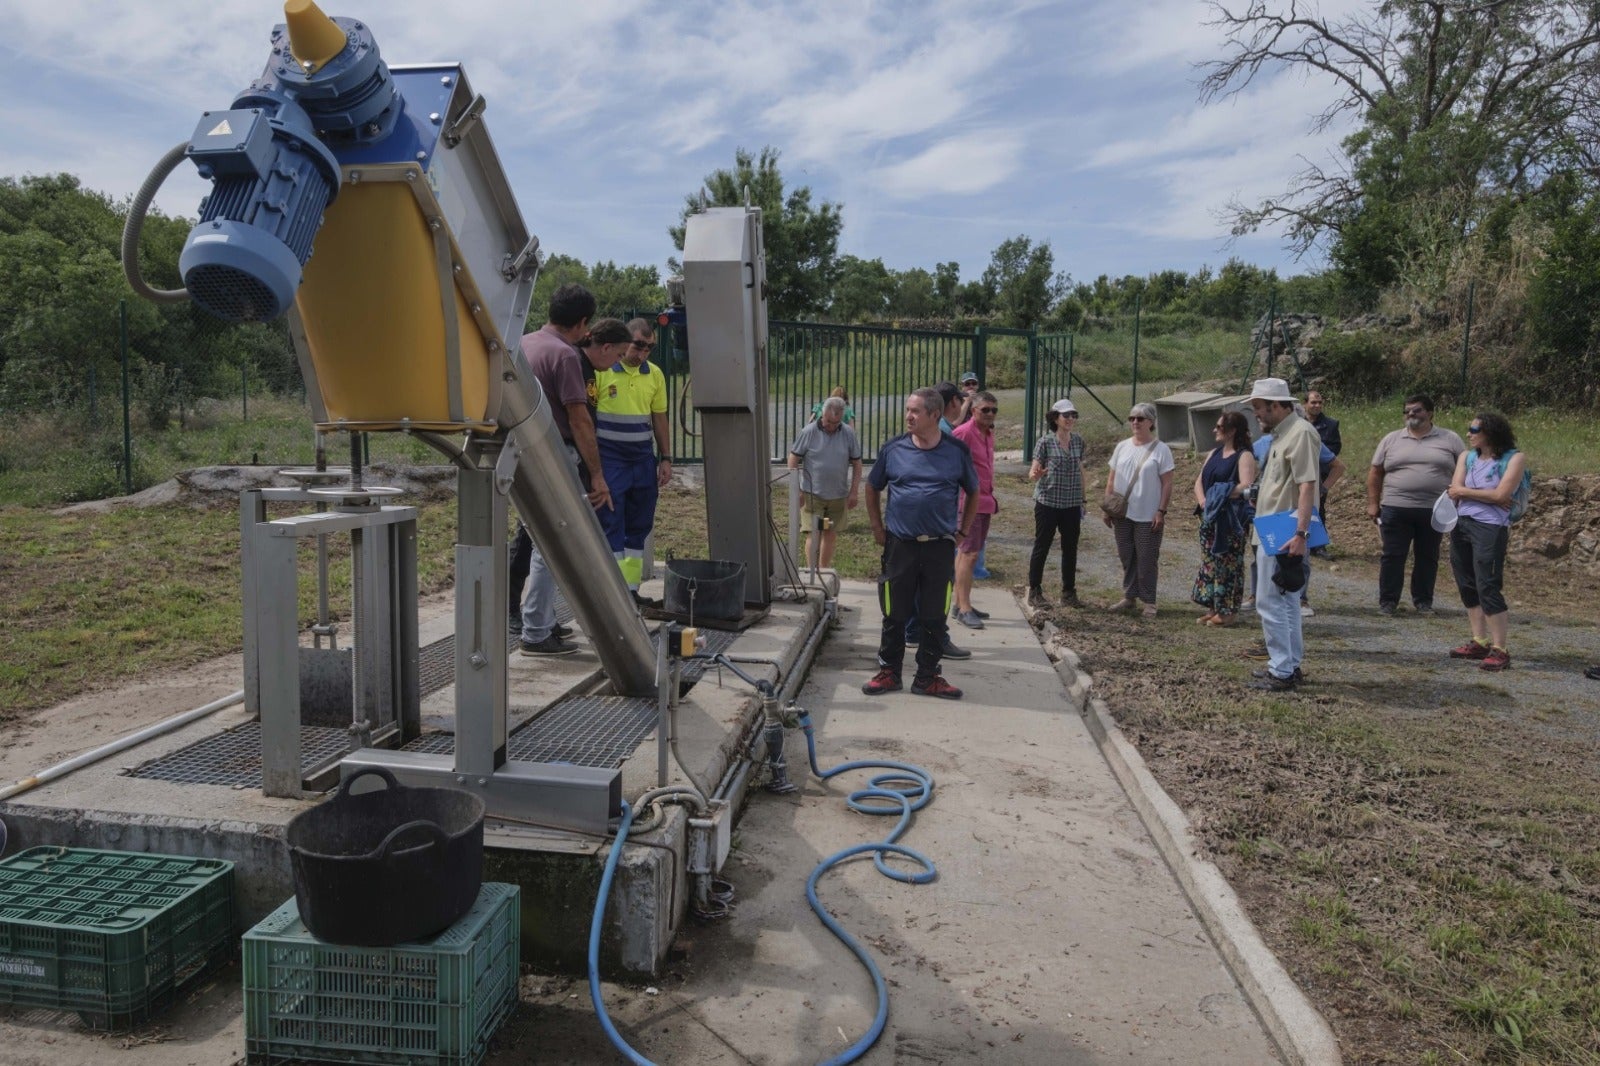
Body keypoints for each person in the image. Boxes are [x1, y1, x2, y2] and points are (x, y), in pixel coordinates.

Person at [513, 283, 611, 656]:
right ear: (584, 323)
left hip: (520, 453)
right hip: (556, 456)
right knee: (551, 545)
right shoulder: (566, 356)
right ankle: (536, 632)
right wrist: (597, 475)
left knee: (539, 539)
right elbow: (579, 420)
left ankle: (544, 620)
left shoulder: (523, 344)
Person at [862, 388, 978, 700]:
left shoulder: (955, 451)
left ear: (935, 415)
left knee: (934, 614)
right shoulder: (893, 449)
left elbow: (973, 491)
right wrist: (877, 528)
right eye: (908, 409)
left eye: (915, 411)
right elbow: (872, 487)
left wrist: (963, 531)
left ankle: (928, 677)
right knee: (894, 611)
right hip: (900, 545)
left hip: (939, 547)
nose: (908, 416)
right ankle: (889, 672)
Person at [1246, 378, 1322, 691]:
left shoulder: (1300, 433)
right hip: (1272, 527)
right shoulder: (1282, 435)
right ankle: (1289, 664)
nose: (1258, 416)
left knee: (1270, 602)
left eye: (1260, 409)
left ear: (1278, 405)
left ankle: (1281, 670)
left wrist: (1301, 532)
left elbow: (1307, 484)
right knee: (1286, 601)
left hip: (1284, 530)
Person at [593, 317, 672, 599]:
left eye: (649, 348)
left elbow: (659, 417)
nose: (642, 353)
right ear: (625, 342)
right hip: (610, 460)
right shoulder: (602, 370)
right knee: (611, 522)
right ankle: (613, 594)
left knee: (638, 527)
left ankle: (630, 590)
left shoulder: (655, 375)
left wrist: (666, 457)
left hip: (641, 460)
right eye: (638, 346)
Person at [1367, 393, 1466, 615]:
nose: (1411, 413)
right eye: (1407, 410)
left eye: (1417, 409)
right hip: (1395, 508)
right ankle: (1388, 602)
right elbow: (1375, 472)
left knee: (1428, 556)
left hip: (1434, 510)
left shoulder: (1450, 439)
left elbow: (1465, 467)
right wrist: (1373, 503)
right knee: (1393, 556)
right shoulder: (1391, 439)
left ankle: (1423, 602)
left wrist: (1459, 497)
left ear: (1430, 413)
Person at [1445, 412, 1526, 672]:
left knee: (1488, 584)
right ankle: (1479, 640)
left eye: (1474, 429)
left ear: (1490, 432)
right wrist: (1485, 495)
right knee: (1467, 583)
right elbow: (1454, 488)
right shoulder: (1466, 457)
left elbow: (1503, 494)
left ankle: (1500, 648)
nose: (1468, 434)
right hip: (1462, 524)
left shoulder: (1514, 458)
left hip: (1490, 528)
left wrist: (1467, 493)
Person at [1102, 402, 1175, 619]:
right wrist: (1107, 507)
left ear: (1151, 422)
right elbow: (1112, 478)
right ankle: (1129, 596)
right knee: (1127, 554)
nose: (1135, 422)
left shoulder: (1161, 450)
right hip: (1122, 512)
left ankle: (1149, 601)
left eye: (1140, 418)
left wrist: (1161, 511)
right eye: (1132, 418)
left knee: (1146, 557)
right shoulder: (1122, 446)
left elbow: (1167, 483)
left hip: (1147, 513)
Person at [1190, 410, 1257, 627]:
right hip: (1209, 517)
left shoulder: (1244, 455)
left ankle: (1228, 611)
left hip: (1230, 520)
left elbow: (1246, 486)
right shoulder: (1214, 453)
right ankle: (1213, 607)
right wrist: (1204, 501)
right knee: (1210, 563)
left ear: (1232, 431)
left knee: (1229, 564)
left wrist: (1221, 493)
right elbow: (1199, 481)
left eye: (1219, 427)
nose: (1214, 431)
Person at [787, 395, 863, 569]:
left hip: (836, 497)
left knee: (829, 532)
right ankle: (811, 572)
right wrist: (797, 490)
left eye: (836, 423)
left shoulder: (847, 433)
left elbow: (857, 464)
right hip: (813, 496)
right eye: (828, 421)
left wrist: (853, 491)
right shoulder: (809, 432)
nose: (831, 427)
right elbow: (793, 459)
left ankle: (823, 571)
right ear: (823, 414)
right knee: (814, 532)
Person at [1026, 398, 1087, 609]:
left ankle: (1068, 592)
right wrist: (1037, 473)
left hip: (1071, 503)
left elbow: (1080, 471)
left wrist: (1083, 499)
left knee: (1070, 547)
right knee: (1042, 545)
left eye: (1073, 415)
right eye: (1066, 415)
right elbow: (1033, 471)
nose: (1070, 419)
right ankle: (1034, 590)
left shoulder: (1078, 441)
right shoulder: (1045, 441)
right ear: (1055, 418)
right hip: (1048, 502)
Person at [951, 391, 998, 628]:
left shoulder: (988, 434)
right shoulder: (963, 433)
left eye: (993, 410)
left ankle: (960, 603)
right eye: (985, 410)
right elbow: (948, 462)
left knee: (968, 553)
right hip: (968, 503)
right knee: (968, 554)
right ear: (973, 411)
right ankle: (964, 608)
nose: (990, 414)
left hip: (985, 501)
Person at [1304, 390, 1341, 558]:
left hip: (1320, 473)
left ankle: (1318, 546)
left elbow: (1334, 448)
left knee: (1318, 508)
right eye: (1313, 402)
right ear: (1306, 404)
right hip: (1300, 472)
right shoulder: (1298, 423)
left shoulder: (1331, 424)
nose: (1317, 405)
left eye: (1319, 402)